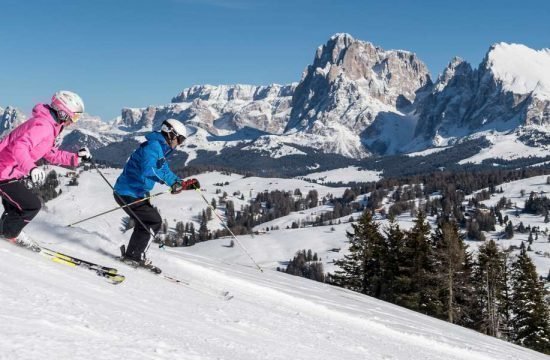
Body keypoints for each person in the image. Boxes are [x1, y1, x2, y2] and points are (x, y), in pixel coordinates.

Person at [0, 91, 92, 247]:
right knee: (31, 205)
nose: (74, 121)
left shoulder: (49, 125)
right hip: (4, 172)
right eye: (74, 117)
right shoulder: (43, 126)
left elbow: (48, 153)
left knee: (15, 207)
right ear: (63, 112)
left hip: (8, 171)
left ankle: (7, 232)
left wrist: (75, 158)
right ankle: (8, 237)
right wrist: (31, 168)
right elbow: (20, 147)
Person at [113, 118, 200, 268]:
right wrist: (172, 183)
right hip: (128, 192)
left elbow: (164, 170)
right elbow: (150, 169)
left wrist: (182, 183)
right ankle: (135, 256)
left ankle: (132, 255)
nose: (179, 144)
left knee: (145, 223)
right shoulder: (152, 147)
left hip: (134, 193)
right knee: (153, 221)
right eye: (179, 139)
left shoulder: (160, 147)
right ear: (170, 134)